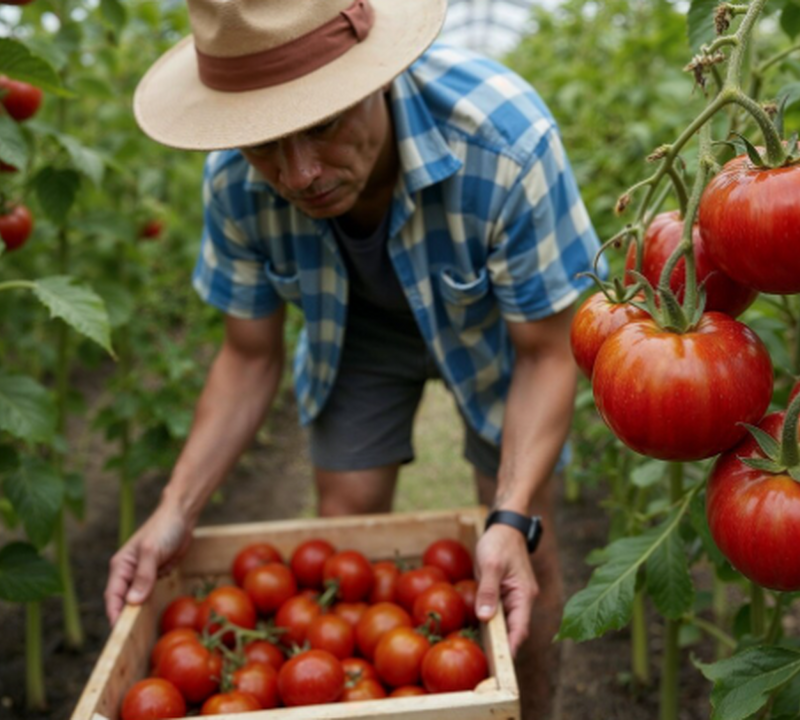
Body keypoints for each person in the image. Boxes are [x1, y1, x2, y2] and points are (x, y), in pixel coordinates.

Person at [102, 0, 601, 716]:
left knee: (525, 547)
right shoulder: (234, 185)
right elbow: (248, 356)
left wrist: (510, 518)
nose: (300, 173)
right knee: (346, 529)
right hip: (353, 330)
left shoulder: (504, 141)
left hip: (500, 330)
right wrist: (174, 508)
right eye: (265, 142)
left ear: (379, 77)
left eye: (324, 125)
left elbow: (549, 355)